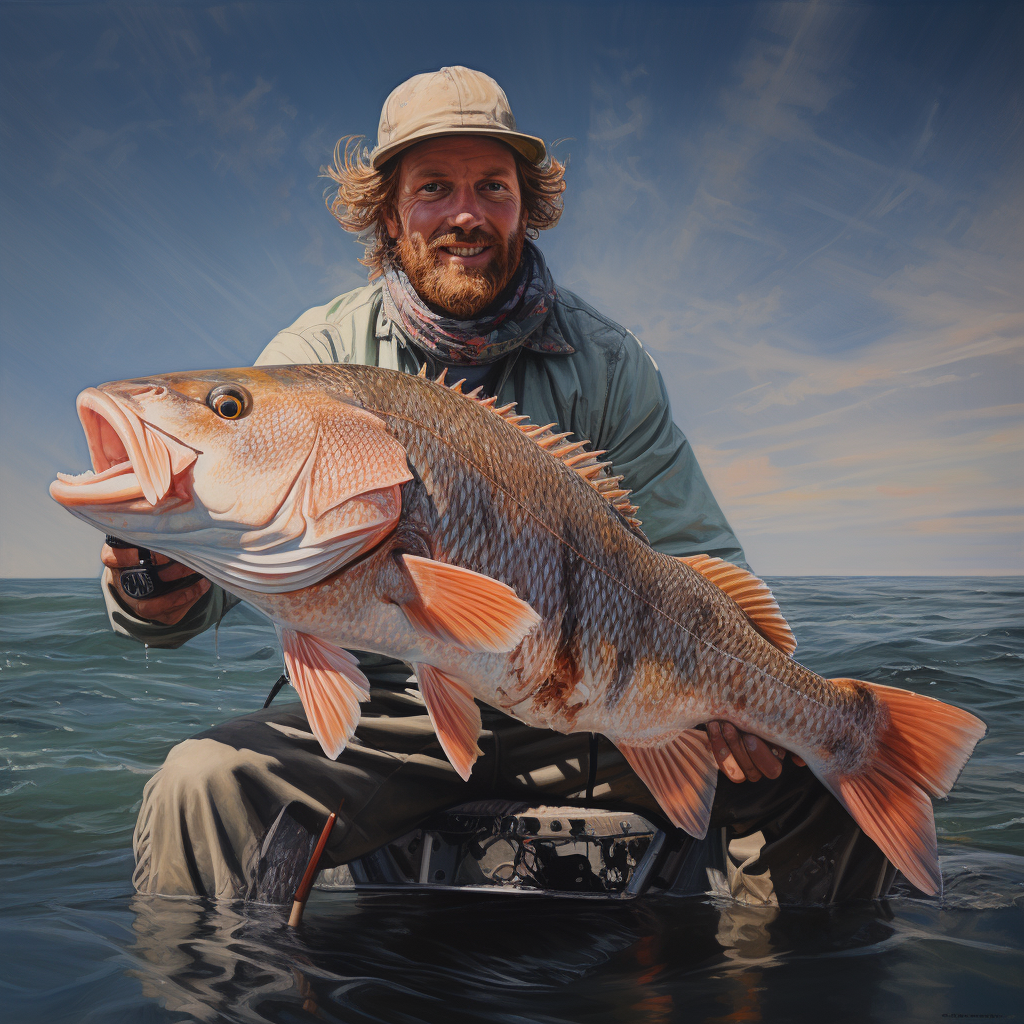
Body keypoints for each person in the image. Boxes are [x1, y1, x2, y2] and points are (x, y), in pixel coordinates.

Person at [104, 67, 893, 905]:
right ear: (389, 211)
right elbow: (233, 561)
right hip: (395, 713)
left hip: (603, 707)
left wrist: (757, 702)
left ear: (528, 203)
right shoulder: (314, 358)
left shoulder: (609, 361)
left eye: (493, 187)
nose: (465, 213)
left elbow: (697, 561)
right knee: (200, 788)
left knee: (819, 795)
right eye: (434, 188)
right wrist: (153, 582)